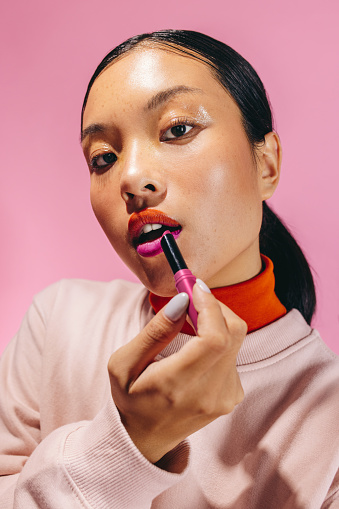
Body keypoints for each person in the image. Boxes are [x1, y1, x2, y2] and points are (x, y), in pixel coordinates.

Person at [0, 29, 338, 508]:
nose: (131, 178)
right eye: (103, 158)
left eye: (178, 129)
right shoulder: (58, 322)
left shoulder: (329, 418)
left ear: (266, 165)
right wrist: (129, 443)